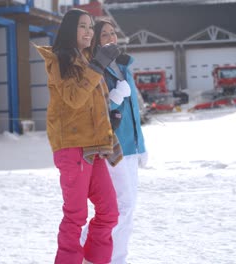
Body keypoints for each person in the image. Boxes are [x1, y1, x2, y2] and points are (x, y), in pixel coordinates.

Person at [35, 9, 123, 264]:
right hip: (72, 147)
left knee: (109, 211)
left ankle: (95, 260)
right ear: (70, 29)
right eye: (83, 26)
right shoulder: (57, 60)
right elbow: (74, 98)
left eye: (91, 27)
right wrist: (97, 65)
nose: (89, 32)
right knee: (75, 216)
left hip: (94, 145)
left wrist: (109, 120)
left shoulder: (87, 59)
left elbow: (93, 103)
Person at [81, 19, 147, 264]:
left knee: (128, 211)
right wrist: (117, 96)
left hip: (132, 146)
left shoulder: (123, 66)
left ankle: (116, 258)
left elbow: (134, 113)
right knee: (120, 207)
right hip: (112, 146)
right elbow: (96, 109)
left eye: (112, 33)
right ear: (96, 40)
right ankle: (86, 245)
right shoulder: (95, 68)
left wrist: (142, 145)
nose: (110, 37)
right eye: (104, 34)